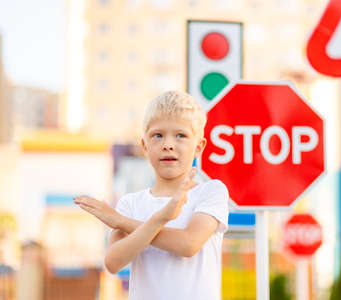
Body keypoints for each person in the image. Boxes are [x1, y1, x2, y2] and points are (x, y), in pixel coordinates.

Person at [73, 90, 229, 300]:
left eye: (181, 135)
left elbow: (189, 244)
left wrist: (122, 221)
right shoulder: (131, 203)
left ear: (198, 147)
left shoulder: (211, 191)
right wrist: (159, 218)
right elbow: (113, 262)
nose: (168, 144)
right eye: (158, 135)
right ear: (145, 146)